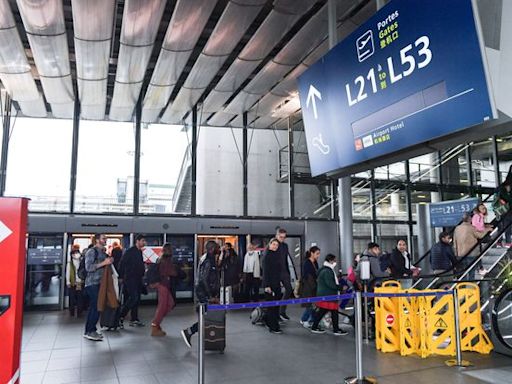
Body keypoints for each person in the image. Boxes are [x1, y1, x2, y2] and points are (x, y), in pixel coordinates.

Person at [181, 240, 221, 347]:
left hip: (204, 293)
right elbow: (204, 279)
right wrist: (210, 296)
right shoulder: (208, 261)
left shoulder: (208, 259)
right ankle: (189, 331)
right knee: (209, 318)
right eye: (217, 248)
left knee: (210, 317)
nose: (219, 249)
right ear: (212, 249)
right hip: (205, 294)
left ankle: (208, 339)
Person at [83, 233, 113, 341]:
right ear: (97, 240)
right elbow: (88, 267)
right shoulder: (92, 252)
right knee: (95, 306)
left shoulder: (103, 252)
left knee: (97, 306)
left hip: (100, 283)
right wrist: (103, 263)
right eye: (103, 238)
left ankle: (92, 329)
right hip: (92, 283)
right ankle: (89, 330)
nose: (106, 240)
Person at [310, 254, 348, 336]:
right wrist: (341, 287)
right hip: (329, 295)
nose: (335, 262)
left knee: (323, 311)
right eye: (334, 260)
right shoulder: (327, 271)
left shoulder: (324, 269)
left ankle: (315, 326)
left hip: (325, 295)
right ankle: (335, 329)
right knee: (332, 312)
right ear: (330, 261)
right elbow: (331, 284)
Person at [150, 243, 178, 337]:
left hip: (162, 285)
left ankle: (157, 322)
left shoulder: (160, 259)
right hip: (163, 285)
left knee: (169, 304)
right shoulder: (167, 260)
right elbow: (171, 272)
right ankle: (155, 325)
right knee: (163, 305)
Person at [119, 234, 147, 328]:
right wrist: (121, 276)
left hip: (138, 278)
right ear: (137, 241)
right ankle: (120, 316)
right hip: (130, 278)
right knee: (133, 298)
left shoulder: (139, 252)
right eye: (142, 241)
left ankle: (134, 319)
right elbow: (122, 263)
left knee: (137, 299)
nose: (144, 243)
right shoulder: (130, 252)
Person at [454, 212, 489, 279]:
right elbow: (480, 236)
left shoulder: (457, 228)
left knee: (462, 273)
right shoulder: (471, 228)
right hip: (471, 253)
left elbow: (454, 242)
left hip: (460, 254)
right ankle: (471, 287)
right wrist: (487, 230)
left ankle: (462, 288)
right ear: (469, 219)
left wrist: (456, 253)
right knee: (471, 272)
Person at [262, 238, 283, 334]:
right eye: (273, 244)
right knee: (271, 306)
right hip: (270, 285)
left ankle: (270, 322)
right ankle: (273, 326)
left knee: (276, 306)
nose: (275, 246)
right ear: (269, 244)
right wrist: (267, 285)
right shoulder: (267, 256)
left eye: (276, 245)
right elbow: (265, 272)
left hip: (277, 283)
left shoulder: (277, 255)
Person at [299, 246, 320, 328]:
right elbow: (306, 276)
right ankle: (304, 319)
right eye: (317, 254)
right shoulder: (306, 263)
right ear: (312, 253)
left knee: (313, 304)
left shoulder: (315, 262)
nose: (318, 255)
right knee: (310, 305)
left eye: (319, 254)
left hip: (313, 286)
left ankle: (312, 320)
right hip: (308, 286)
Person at [275, 228, 293, 321]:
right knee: (276, 293)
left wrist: (288, 271)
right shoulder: (273, 245)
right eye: (281, 237)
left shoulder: (285, 246)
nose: (282, 239)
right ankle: (276, 314)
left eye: (284, 237)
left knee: (289, 289)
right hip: (275, 273)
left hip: (284, 271)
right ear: (277, 235)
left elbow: (285, 259)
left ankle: (282, 311)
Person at [66, 246, 84, 317]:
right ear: (72, 255)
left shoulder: (81, 262)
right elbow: (68, 273)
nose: (77, 254)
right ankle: (72, 311)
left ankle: (80, 311)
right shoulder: (69, 263)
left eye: (78, 253)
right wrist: (68, 282)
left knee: (80, 298)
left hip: (80, 282)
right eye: (75, 253)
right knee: (72, 298)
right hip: (73, 282)